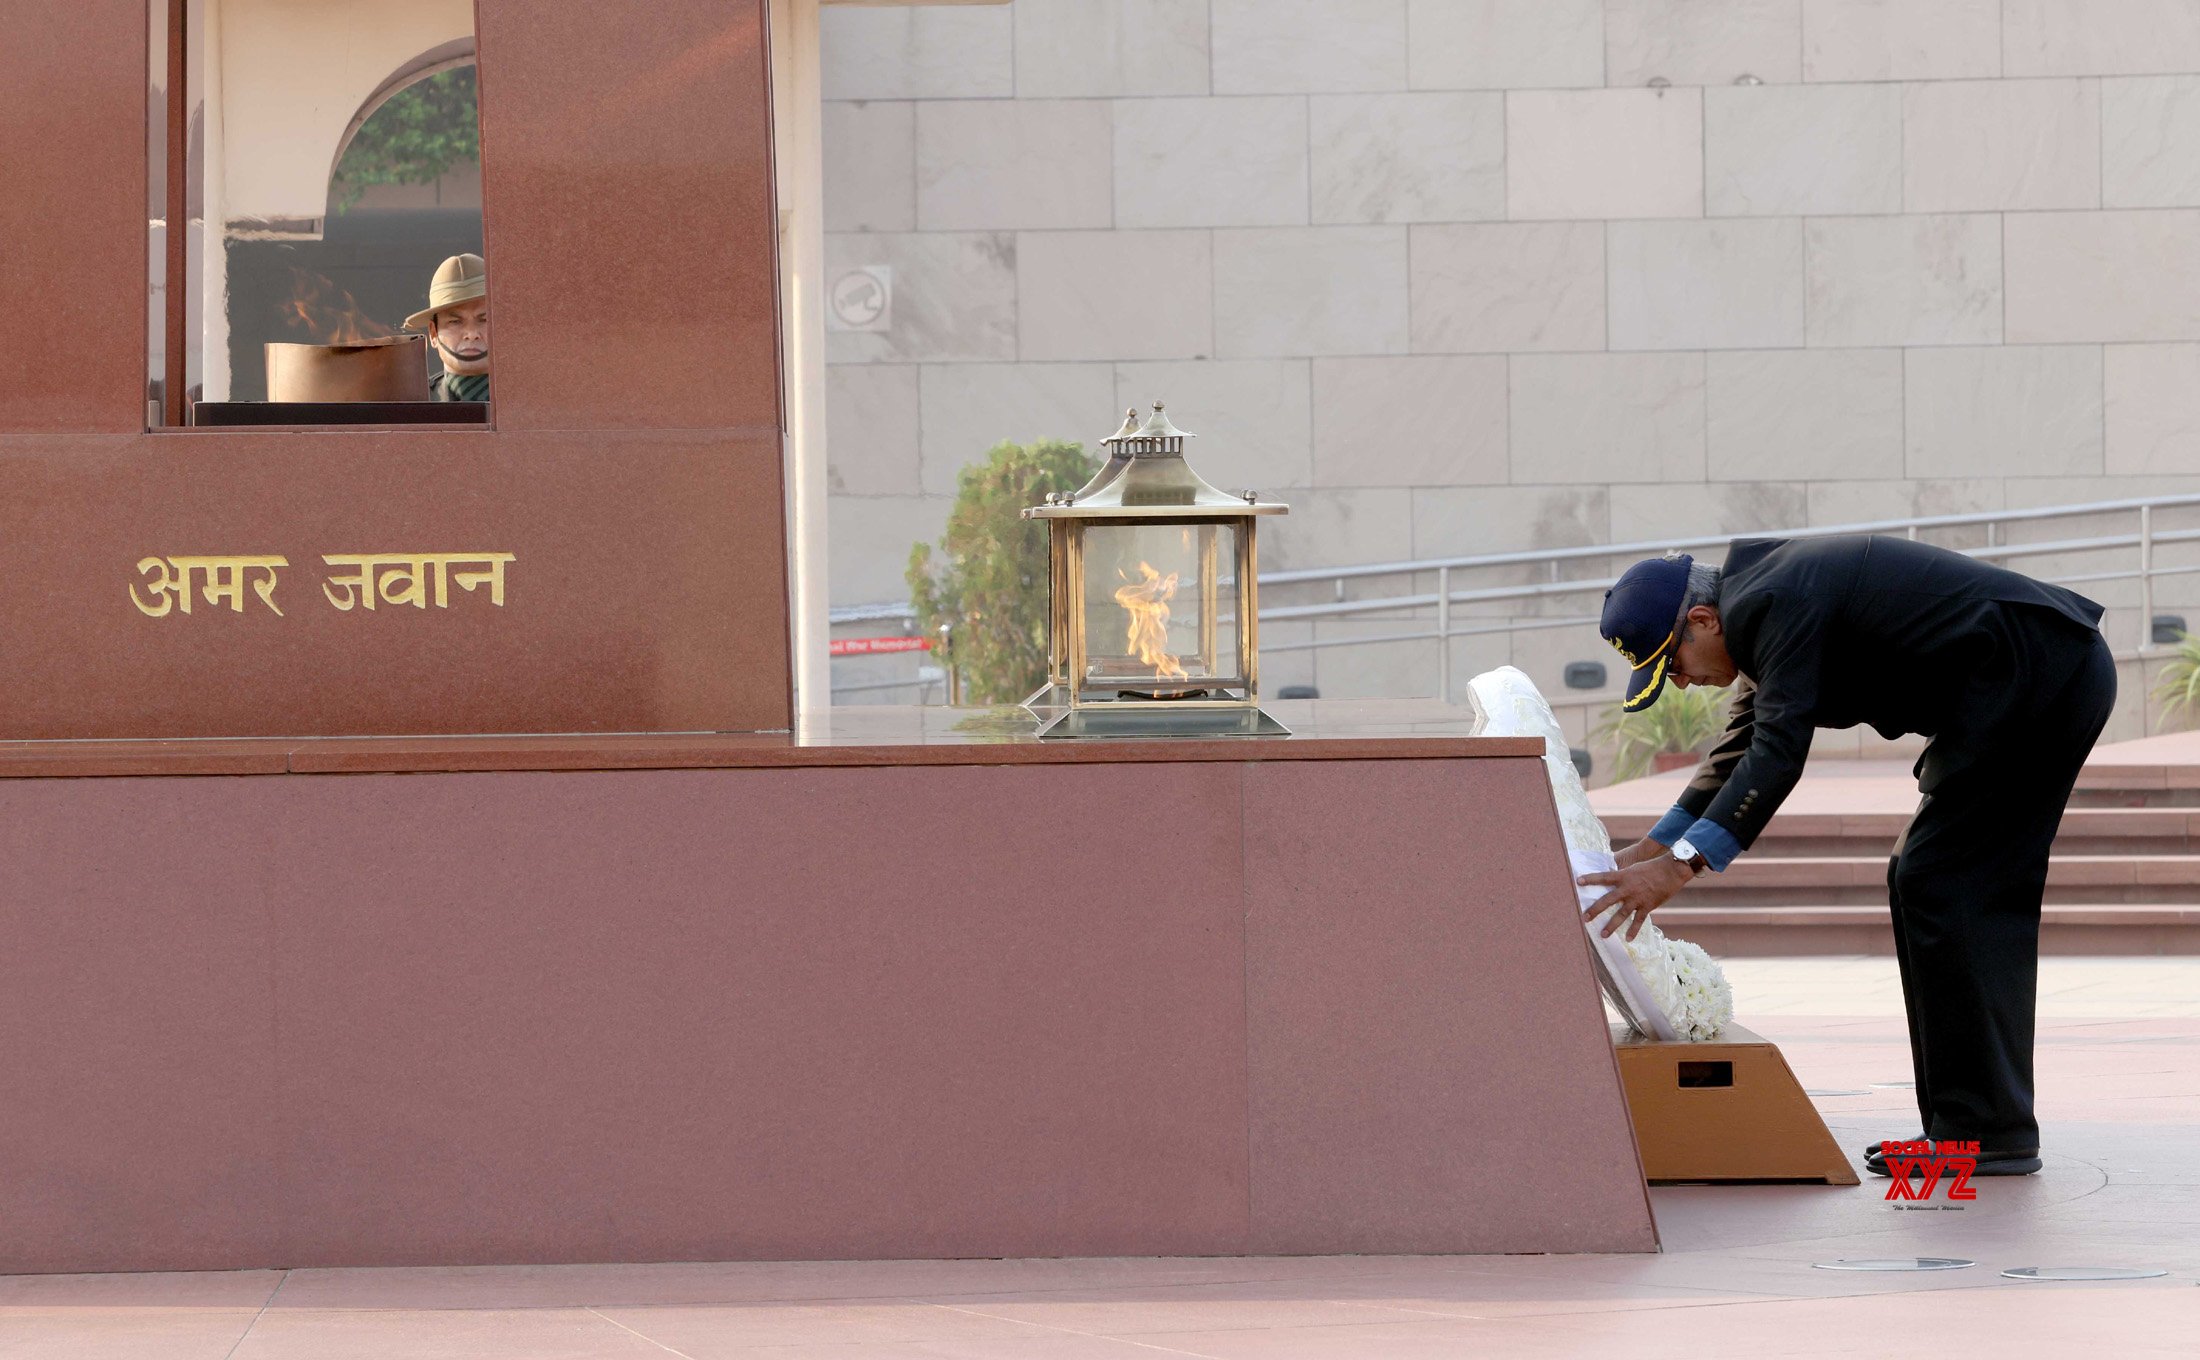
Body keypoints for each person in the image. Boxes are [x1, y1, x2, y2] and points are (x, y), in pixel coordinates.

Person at [1577, 536, 2115, 1179]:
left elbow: (1778, 753)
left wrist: (1676, 869)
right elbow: (1738, 749)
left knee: (1944, 883)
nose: (1683, 682)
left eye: (1674, 663)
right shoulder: (1762, 608)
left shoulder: (1774, 603)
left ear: (1702, 620)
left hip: (2039, 679)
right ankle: (1977, 1127)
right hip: (2022, 686)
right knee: (1932, 881)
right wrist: (1648, 850)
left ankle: (1984, 1131)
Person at [403, 253, 489, 402]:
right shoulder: (411, 408)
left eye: (484, 320)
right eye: (455, 322)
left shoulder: (537, 399)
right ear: (433, 333)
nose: (471, 333)